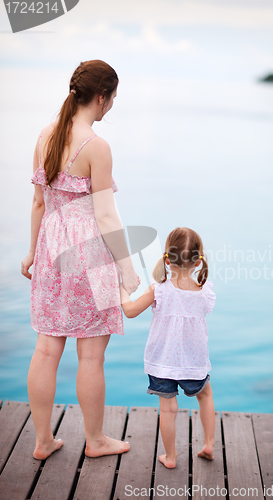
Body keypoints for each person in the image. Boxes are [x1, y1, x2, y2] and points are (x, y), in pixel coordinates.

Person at [21, 60, 139, 460]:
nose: (111, 107)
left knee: (46, 349)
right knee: (90, 354)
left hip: (51, 247)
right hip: (87, 251)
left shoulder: (44, 135)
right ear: (101, 96)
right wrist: (127, 268)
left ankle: (42, 441)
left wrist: (32, 252)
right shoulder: (97, 147)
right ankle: (96, 440)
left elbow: (39, 201)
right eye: (113, 99)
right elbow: (104, 215)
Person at [120, 227, 216, 469]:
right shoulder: (205, 291)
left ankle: (170, 457)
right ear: (197, 261)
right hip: (194, 362)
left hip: (162, 361)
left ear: (167, 258)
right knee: (205, 396)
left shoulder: (158, 288)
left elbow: (130, 311)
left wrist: (121, 290)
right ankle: (209, 444)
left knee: (168, 408)